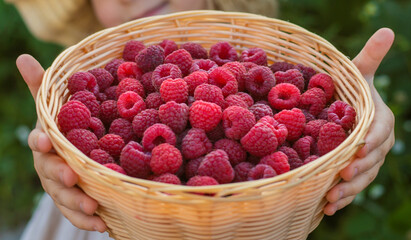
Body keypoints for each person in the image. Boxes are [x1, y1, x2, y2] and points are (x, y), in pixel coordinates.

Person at [9, 0, 395, 239]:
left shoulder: (265, 67)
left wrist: (352, 109)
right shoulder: (116, 79)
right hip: (113, 213)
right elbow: (84, 138)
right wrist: (61, 146)